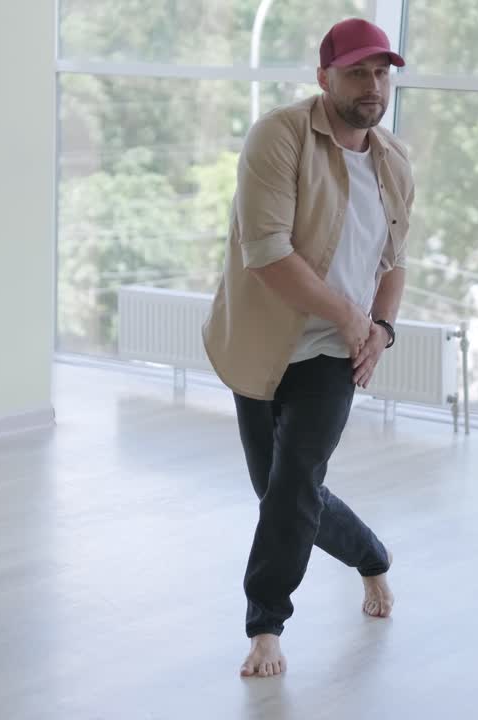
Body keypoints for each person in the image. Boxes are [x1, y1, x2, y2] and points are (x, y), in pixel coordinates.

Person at [201, 17, 414, 679]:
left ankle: (266, 626)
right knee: (276, 487)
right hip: (264, 337)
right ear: (324, 78)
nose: (372, 85)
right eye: (356, 71)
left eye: (381, 72)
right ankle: (371, 554)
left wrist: (377, 329)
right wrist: (353, 316)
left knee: (294, 483)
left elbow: (395, 261)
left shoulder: (394, 161)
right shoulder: (280, 136)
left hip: (333, 352)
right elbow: (268, 255)